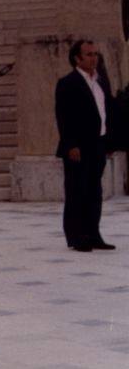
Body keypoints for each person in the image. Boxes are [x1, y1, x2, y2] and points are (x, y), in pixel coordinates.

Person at [55, 39, 116, 252]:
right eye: (89, 54)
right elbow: (63, 117)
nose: (94, 58)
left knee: (94, 191)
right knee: (76, 191)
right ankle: (76, 236)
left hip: (98, 144)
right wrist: (71, 144)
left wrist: (110, 141)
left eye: (95, 54)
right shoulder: (67, 83)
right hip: (78, 148)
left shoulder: (101, 81)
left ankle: (93, 234)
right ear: (77, 59)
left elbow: (107, 112)